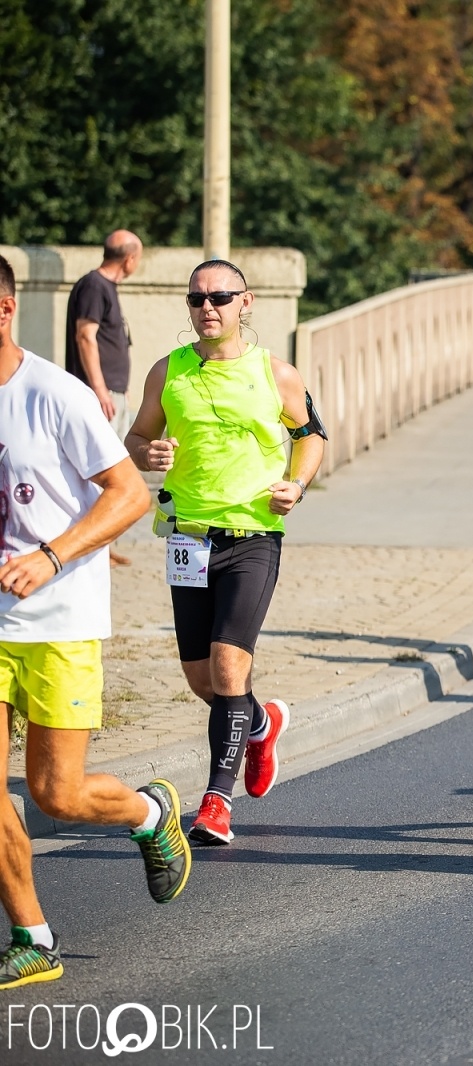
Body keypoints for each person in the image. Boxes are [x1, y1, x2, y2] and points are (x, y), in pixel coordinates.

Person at [0, 253, 192, 990]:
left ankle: (149, 812)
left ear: (8, 311)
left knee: (57, 793)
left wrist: (51, 556)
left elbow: (128, 495)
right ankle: (32, 937)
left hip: (57, 619)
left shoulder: (56, 396)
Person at [125, 259, 326, 846]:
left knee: (228, 666)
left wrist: (298, 483)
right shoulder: (169, 372)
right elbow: (137, 438)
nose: (207, 307)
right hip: (186, 537)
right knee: (200, 679)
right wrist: (148, 453)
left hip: (253, 536)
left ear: (247, 303)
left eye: (220, 297)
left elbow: (311, 433)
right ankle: (262, 725)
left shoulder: (276, 373)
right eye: (197, 299)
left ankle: (216, 801)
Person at [65, 231, 143, 567]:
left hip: (110, 392)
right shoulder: (95, 286)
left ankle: (103, 545)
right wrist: (99, 389)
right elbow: (86, 336)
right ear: (130, 258)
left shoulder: (103, 287)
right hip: (99, 394)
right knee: (104, 471)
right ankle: (94, 545)